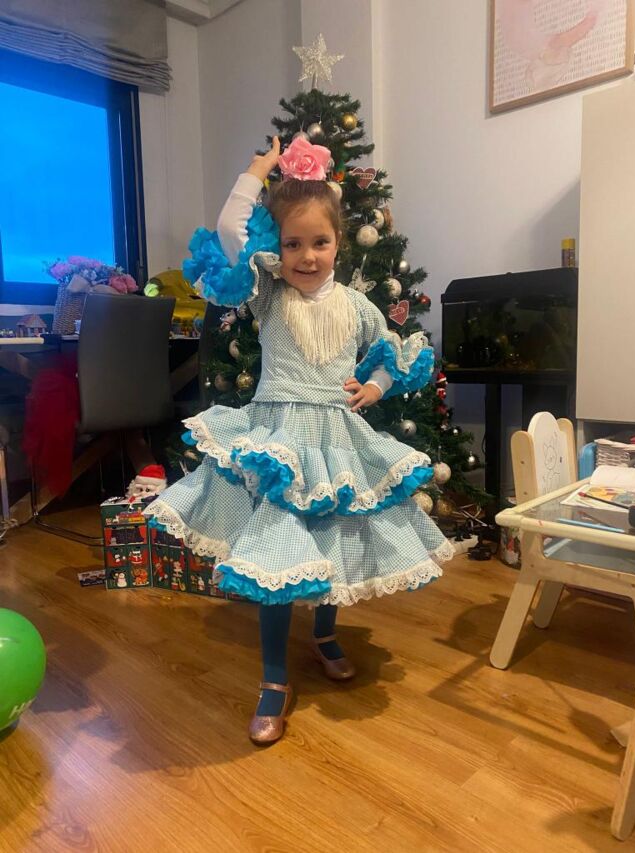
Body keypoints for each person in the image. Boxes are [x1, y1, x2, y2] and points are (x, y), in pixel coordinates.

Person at [144, 135, 453, 745]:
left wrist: (375, 386)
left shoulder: (359, 305)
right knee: (277, 553)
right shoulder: (267, 291)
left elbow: (392, 353)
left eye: (319, 243)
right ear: (277, 246)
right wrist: (257, 170)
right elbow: (230, 232)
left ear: (339, 243)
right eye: (292, 244)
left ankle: (326, 633)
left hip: (335, 438)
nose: (306, 256)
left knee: (330, 540)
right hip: (277, 438)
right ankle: (274, 678)